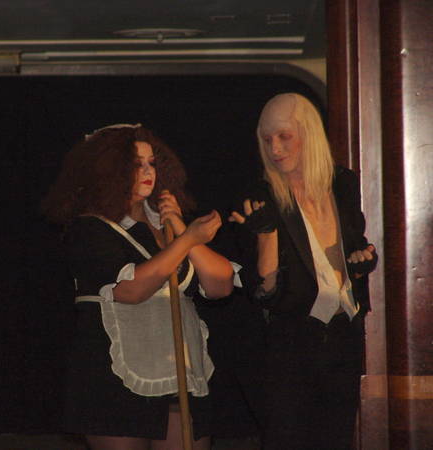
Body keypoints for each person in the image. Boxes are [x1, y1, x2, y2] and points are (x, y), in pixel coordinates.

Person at [41, 123, 239, 450]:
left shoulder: (168, 227)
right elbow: (132, 290)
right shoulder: (90, 229)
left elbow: (221, 285)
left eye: (151, 163)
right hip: (115, 379)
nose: (147, 171)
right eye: (135, 164)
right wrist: (187, 240)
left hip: (177, 373)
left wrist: (179, 228)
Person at [229, 93, 378, 450]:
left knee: (337, 439)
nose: (275, 149)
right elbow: (264, 293)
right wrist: (266, 234)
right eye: (267, 140)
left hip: (344, 335)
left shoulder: (343, 184)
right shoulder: (260, 196)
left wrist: (361, 263)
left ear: (308, 133)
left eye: (284, 136)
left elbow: (356, 246)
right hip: (288, 345)